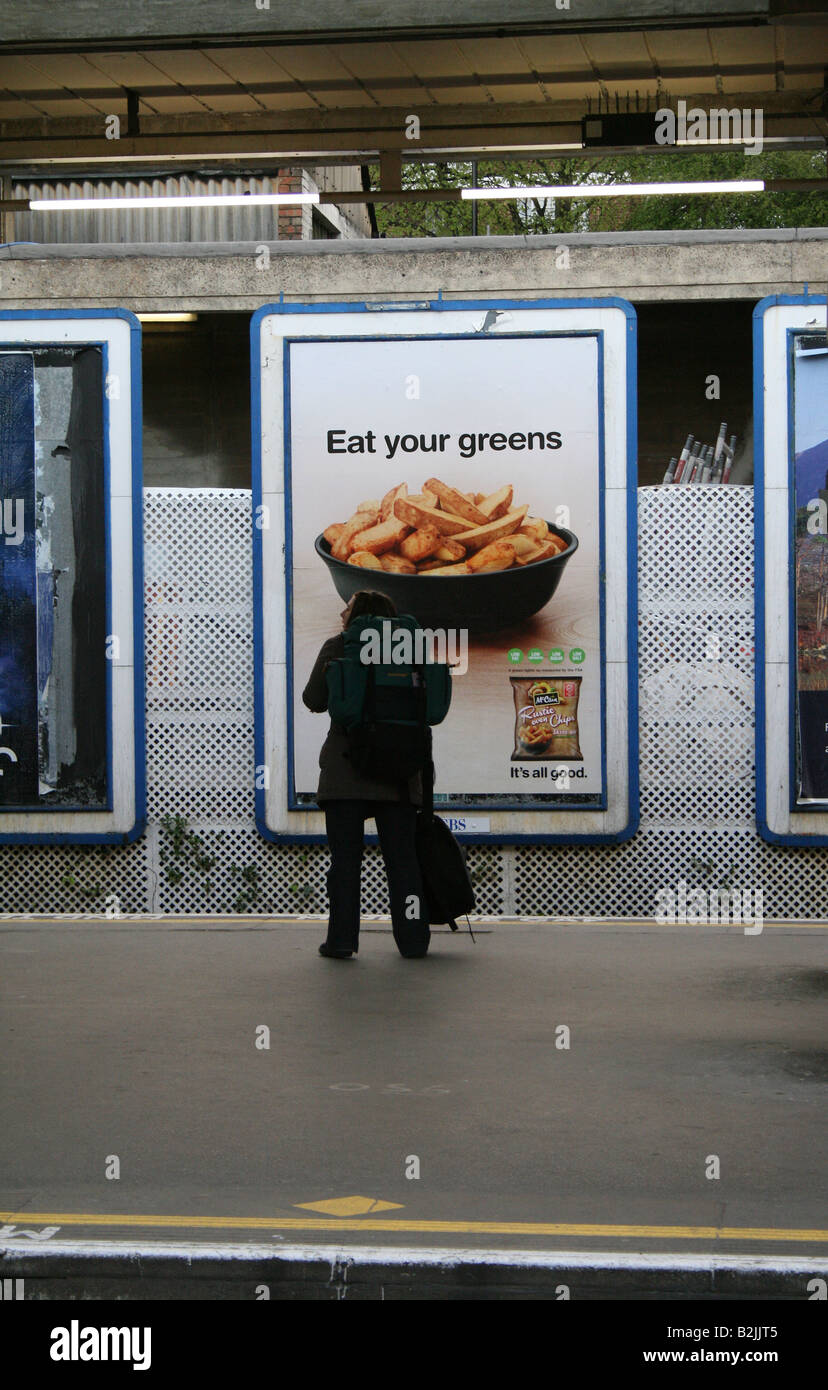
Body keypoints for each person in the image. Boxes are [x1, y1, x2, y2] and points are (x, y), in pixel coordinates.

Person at [302, 590, 430, 961]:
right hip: (401, 772)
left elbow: (314, 699)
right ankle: (413, 940)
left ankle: (342, 940)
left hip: (347, 770)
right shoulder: (412, 648)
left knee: (345, 862)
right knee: (403, 861)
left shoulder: (339, 645)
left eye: (348, 606)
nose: (342, 612)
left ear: (357, 614)